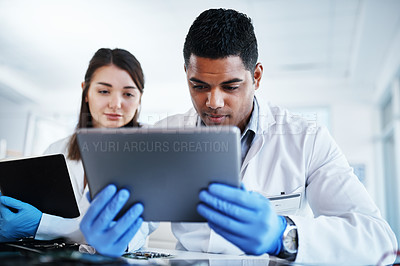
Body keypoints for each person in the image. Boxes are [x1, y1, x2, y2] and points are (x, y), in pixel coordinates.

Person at [80, 9, 398, 264]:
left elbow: (378, 240)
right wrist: (115, 241)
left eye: (231, 86)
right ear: (187, 76)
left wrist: (283, 235)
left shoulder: (307, 138)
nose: (213, 102)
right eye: (199, 86)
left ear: (256, 76)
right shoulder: (163, 134)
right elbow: (138, 226)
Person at [0, 48, 154, 253]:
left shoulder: (150, 154)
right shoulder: (57, 150)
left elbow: (135, 229)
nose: (116, 104)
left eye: (128, 93)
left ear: (139, 98)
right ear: (86, 91)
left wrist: (44, 225)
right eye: (104, 91)